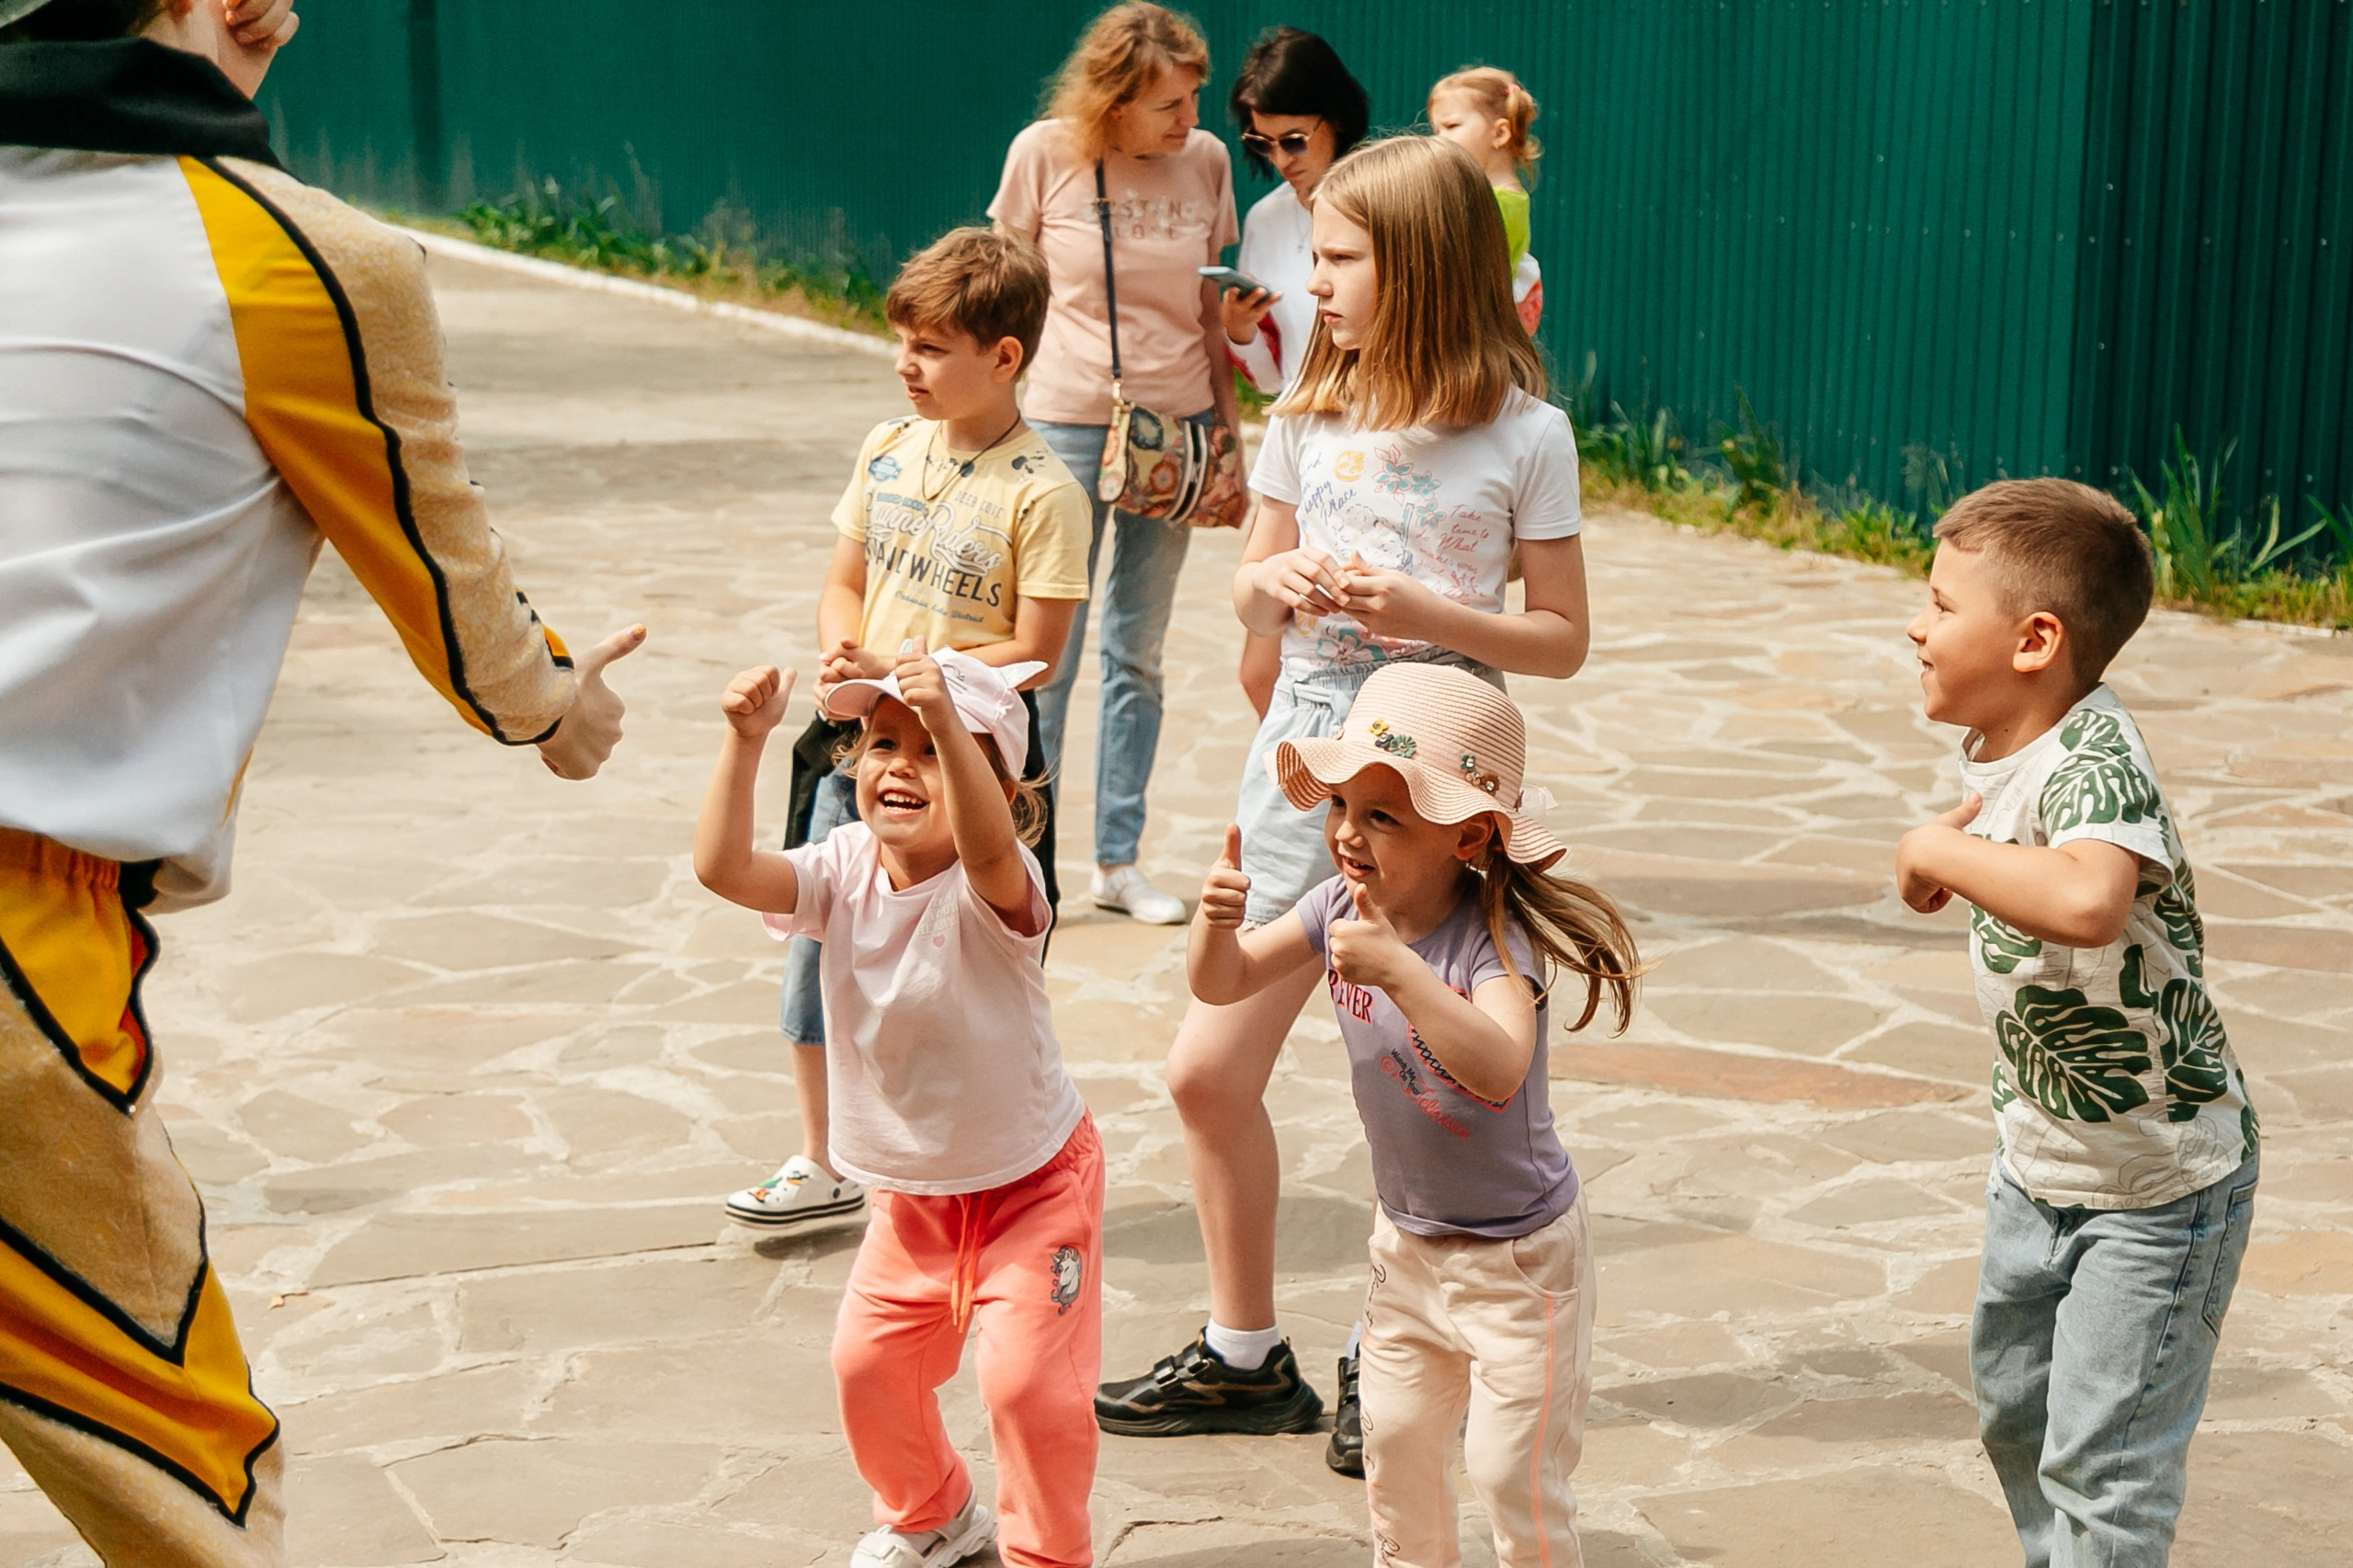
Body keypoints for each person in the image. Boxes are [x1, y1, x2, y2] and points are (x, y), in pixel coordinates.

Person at [0, 2, 639, 1562]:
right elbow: (449, 579)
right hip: (20, 937)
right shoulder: (305, 261)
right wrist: (562, 704)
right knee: (188, 1476)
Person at [1094, 136, 1595, 1480]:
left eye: (1335, 257)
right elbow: (1247, 591)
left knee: (1418, 1081)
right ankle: (1247, 1351)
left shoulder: (1524, 434)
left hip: (1432, 795)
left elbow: (1559, 638)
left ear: (1416, 264)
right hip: (1300, 776)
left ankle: (1395, 1347)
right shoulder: (1311, 415)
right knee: (1204, 1072)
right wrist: (1284, 583)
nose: (1309, 279)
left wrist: (1424, 612)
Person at [1189, 664, 1636, 1568]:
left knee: (1511, 1472)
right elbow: (1225, 980)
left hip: (1519, 1261)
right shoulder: (1332, 907)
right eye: (1341, 806)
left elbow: (1500, 1065)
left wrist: (1398, 968)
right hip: (1407, 1248)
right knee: (1393, 1453)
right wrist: (1214, 921)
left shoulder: (1492, 941)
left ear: (1467, 833)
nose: (1348, 833)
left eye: (1383, 815)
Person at [1894, 480, 2258, 1568]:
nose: (1916, 623)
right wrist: (1959, 862)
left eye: (1941, 602)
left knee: (2104, 1472)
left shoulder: (2097, 755)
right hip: (2040, 1166)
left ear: (2033, 639)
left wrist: (1932, 852)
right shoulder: (2011, 752)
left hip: (2157, 1191)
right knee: (2017, 1419)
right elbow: (2026, 877)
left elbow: (2090, 898)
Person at [695, 648, 1102, 1568]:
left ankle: (1049, 1555)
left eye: (933, 749)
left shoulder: (1000, 887)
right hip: (913, 1198)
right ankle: (933, 1510)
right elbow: (722, 868)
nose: (899, 764)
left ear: (999, 787)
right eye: (883, 742)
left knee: (1028, 1384)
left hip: (1034, 1186)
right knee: (869, 1368)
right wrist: (745, 742)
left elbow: (991, 843)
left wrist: (948, 723)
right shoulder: (841, 867)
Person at [722, 227, 1091, 1233]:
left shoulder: (1044, 492)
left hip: (968, 762)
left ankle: (981, 1149)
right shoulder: (886, 449)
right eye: (905, 342)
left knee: (968, 966)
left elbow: (1041, 651)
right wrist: (849, 655)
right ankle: (824, 1154)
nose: (907, 365)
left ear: (1004, 355)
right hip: (861, 741)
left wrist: (922, 676)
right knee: (818, 946)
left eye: (931, 347)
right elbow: (844, 580)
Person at [989, 0, 1239, 926]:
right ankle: (1024, 849)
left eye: (1194, 98)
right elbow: (1003, 295)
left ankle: (1119, 861)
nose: (1189, 121)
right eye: (1169, 104)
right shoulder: (1045, 153)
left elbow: (1212, 311)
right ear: (1112, 100)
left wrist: (1229, 429)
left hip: (1171, 431)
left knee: (1137, 650)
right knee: (1042, 655)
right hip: (1063, 421)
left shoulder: (1206, 163)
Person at [1219, 24, 1370, 719]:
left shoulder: (1391, 199)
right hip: (1297, 445)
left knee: (1359, 662)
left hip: (1380, 440)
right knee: (1263, 665)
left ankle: (1347, 815)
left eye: (1294, 140)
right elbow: (1271, 375)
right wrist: (1243, 334)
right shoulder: (1269, 217)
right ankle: (1312, 809)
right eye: (1261, 143)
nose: (1278, 158)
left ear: (1335, 119)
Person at [1428, 66, 1545, 335]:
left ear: (1500, 134)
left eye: (1451, 126)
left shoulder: (1495, 203)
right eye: (1436, 130)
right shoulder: (1501, 197)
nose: (1439, 140)